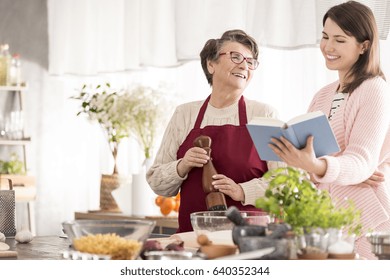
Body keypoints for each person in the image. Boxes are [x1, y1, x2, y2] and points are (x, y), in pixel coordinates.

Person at [269, 1, 390, 259]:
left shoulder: (374, 88)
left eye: (340, 40)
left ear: (364, 46)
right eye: (325, 37)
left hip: (367, 224)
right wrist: (301, 162)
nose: (328, 47)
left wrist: (319, 167)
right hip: (327, 224)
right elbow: (316, 165)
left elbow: (361, 161)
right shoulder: (322, 96)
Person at [146, 29, 282, 232]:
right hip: (195, 238)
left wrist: (241, 190)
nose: (244, 65)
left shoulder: (264, 115)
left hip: (250, 240)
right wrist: (183, 165)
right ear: (211, 64)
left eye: (250, 61)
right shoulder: (185, 114)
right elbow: (157, 182)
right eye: (236, 57)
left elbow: (286, 182)